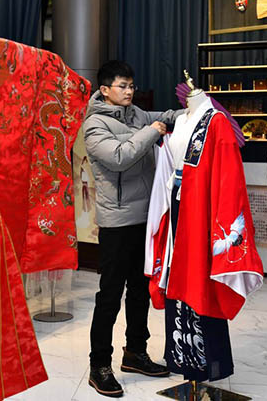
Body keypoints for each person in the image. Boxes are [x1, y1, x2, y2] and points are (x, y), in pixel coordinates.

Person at [83, 60, 183, 398]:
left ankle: (135, 353)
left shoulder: (137, 114)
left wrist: (195, 109)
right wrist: (154, 129)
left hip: (147, 217)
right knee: (110, 295)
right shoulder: (94, 125)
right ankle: (100, 366)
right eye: (123, 86)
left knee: (140, 289)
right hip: (117, 221)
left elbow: (166, 116)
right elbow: (121, 157)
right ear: (105, 89)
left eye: (131, 85)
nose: (129, 91)